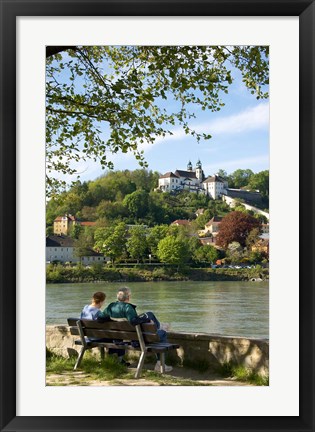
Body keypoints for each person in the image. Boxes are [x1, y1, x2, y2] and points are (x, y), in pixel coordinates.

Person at [100, 287, 172, 373]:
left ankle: (160, 327)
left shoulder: (111, 306)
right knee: (162, 333)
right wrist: (147, 320)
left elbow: (100, 319)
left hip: (123, 337)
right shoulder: (128, 308)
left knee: (149, 314)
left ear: (117, 296)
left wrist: (114, 319)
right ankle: (160, 365)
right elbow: (134, 321)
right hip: (137, 339)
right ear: (128, 297)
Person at [80, 291, 129, 366]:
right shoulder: (98, 313)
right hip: (97, 337)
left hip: (89, 336)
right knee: (118, 336)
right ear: (101, 302)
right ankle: (119, 360)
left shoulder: (85, 308)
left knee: (114, 336)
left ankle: (113, 359)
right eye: (103, 302)